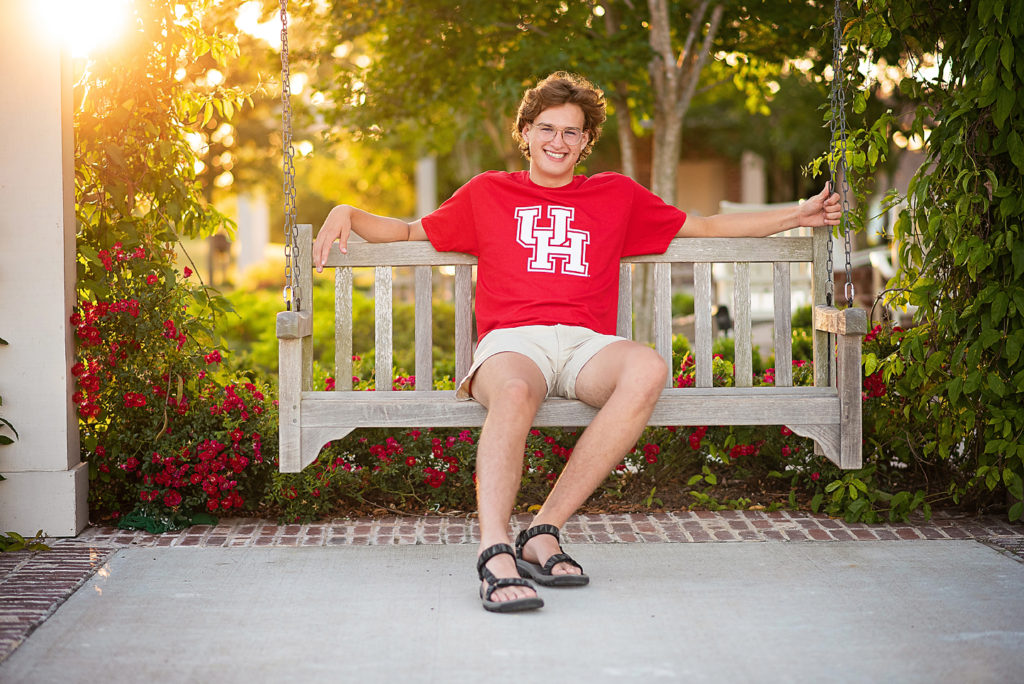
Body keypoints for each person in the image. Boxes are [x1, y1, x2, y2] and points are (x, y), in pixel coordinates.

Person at [313, 72, 843, 613]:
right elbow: (407, 232)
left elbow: (702, 224)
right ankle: (494, 552)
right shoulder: (488, 193)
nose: (558, 142)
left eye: (572, 132)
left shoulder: (614, 195)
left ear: (587, 140)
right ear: (524, 132)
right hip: (514, 343)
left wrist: (797, 215)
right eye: (547, 129)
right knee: (516, 392)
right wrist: (347, 213)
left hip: (586, 345)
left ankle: (543, 531)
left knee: (648, 369)